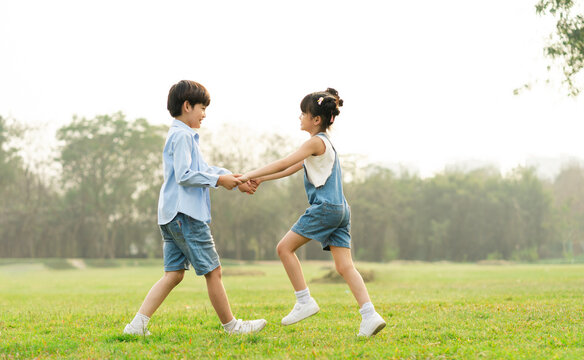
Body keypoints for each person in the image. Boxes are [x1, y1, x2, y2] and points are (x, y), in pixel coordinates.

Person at [238, 88, 386, 337]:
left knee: (284, 248)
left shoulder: (315, 142)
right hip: (341, 210)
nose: (299, 118)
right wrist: (262, 180)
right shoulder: (325, 144)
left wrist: (248, 174)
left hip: (325, 208)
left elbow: (286, 161)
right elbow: (292, 168)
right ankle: (370, 315)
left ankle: (304, 300)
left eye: (303, 113)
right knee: (345, 267)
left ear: (316, 119)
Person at [123, 80, 266, 336]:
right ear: (187, 106)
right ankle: (232, 327)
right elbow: (185, 175)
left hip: (171, 216)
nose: (205, 114)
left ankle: (137, 326)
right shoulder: (182, 136)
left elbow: (203, 169)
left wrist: (232, 179)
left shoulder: (182, 136)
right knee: (214, 270)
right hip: (185, 216)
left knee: (174, 274)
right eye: (202, 107)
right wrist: (219, 181)